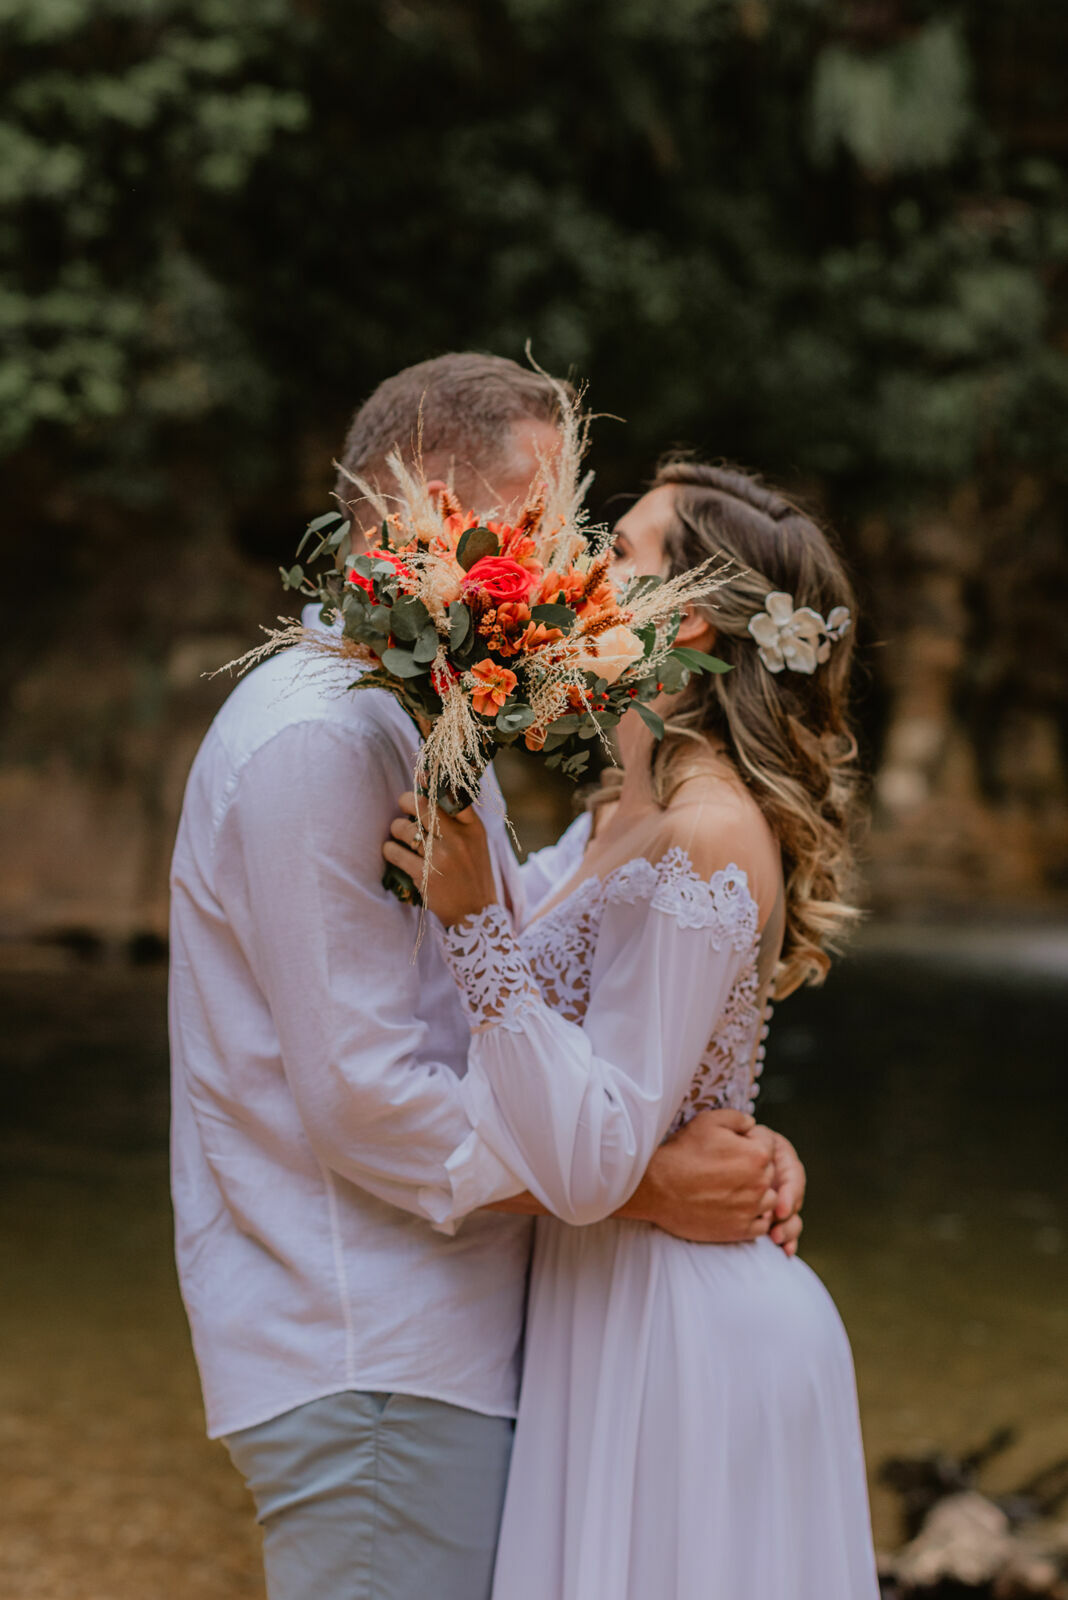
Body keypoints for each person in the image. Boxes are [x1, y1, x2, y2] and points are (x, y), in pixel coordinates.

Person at [168, 356, 808, 1600]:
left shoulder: (407, 713)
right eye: (547, 521)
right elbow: (370, 1098)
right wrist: (650, 1188)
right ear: (440, 509)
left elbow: (551, 979)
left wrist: (710, 1121)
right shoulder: (324, 735)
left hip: (440, 1351)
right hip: (376, 1353)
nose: (567, 564)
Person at [385, 459, 880, 1600]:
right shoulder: (620, 814)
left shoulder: (706, 833)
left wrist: (473, 924)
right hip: (606, 1315)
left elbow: (598, 1158)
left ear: (687, 616)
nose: (582, 570)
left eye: (619, 552)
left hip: (682, 1341)